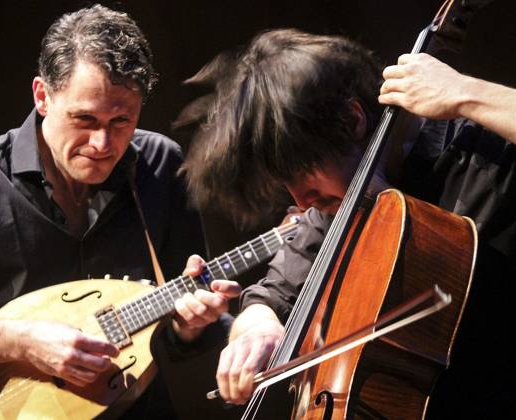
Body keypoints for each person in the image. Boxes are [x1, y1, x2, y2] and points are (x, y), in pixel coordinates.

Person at [0, 4, 240, 419]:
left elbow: (179, 331)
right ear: (42, 96)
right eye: (83, 118)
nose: (102, 143)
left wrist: (191, 324)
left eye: (121, 120)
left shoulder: (160, 166)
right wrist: (16, 340)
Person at [181, 29, 516, 417]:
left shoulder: (486, 154)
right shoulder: (334, 209)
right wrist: (256, 331)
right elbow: (267, 298)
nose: (301, 201)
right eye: (285, 185)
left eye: (303, 175)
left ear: (352, 120)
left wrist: (466, 94)